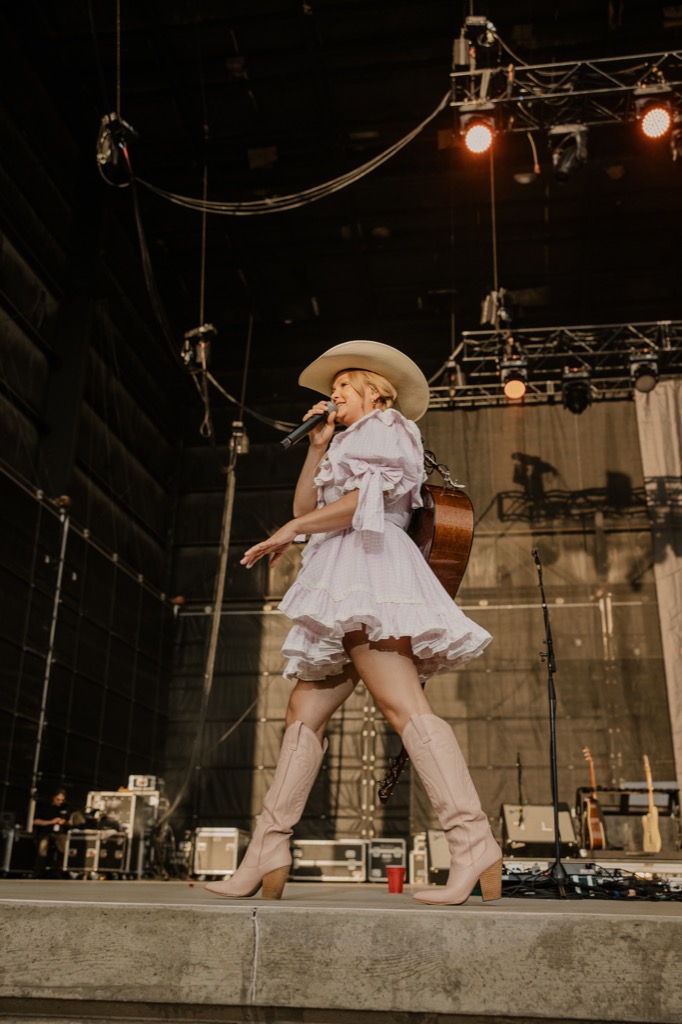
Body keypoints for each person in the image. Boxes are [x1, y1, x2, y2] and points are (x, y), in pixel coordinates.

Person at [206, 340, 502, 905]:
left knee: (402, 705)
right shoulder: (344, 440)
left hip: (371, 567)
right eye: (332, 387)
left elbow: (362, 502)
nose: (334, 393)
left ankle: (473, 842)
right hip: (343, 573)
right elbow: (306, 509)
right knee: (303, 715)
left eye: (344, 385)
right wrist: (316, 448)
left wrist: (293, 531)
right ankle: (268, 849)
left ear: (376, 392)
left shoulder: (389, 426)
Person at [32, 787, 70, 877]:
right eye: (58, 799)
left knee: (66, 846)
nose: (60, 802)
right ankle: (38, 872)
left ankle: (62, 871)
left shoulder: (65, 807)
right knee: (43, 847)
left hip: (59, 833)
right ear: (53, 798)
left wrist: (64, 822)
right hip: (46, 832)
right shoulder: (45, 807)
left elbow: (70, 822)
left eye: (62, 800)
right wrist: (51, 822)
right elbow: (35, 821)